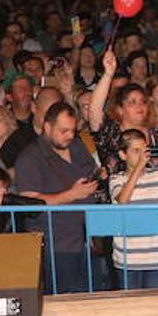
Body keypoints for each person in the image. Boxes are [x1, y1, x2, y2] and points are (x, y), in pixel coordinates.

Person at [14, 102, 105, 294]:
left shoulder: (77, 146)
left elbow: (90, 172)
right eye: (64, 131)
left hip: (88, 240)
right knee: (61, 303)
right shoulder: (29, 158)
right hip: (56, 246)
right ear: (47, 127)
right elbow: (30, 203)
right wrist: (71, 195)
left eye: (73, 130)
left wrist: (99, 176)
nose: (70, 136)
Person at [108, 128, 158, 289]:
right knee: (131, 305)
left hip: (155, 255)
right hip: (127, 257)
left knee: (154, 305)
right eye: (136, 151)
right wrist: (138, 168)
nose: (142, 155)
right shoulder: (117, 179)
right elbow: (123, 200)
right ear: (123, 155)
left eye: (144, 150)